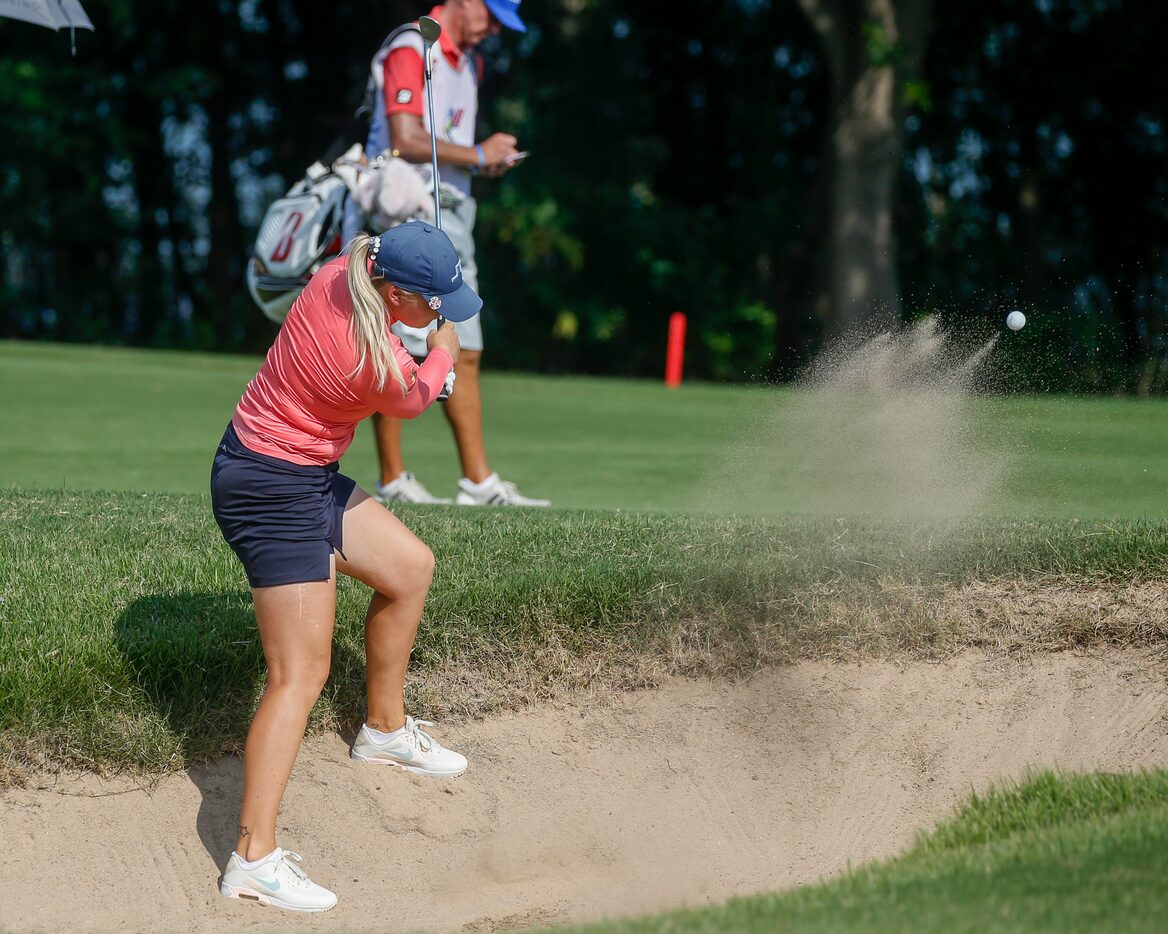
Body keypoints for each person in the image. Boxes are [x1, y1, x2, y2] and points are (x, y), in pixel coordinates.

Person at [211, 221, 475, 912]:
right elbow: (414, 397)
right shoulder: (365, 356)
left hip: (300, 470)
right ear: (395, 293)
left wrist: (427, 323)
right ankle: (253, 858)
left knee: (411, 568)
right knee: (300, 673)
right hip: (271, 487)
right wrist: (443, 354)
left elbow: (392, 313)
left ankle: (384, 731)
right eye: (435, 300)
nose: (445, 310)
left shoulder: (343, 268)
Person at [350, 0, 549, 507]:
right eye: (491, 17)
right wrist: (480, 154)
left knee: (463, 341)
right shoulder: (413, 45)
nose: (492, 32)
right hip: (406, 209)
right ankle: (405, 480)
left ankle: (469, 481)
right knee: (399, 343)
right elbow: (406, 138)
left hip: (453, 210)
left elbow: (445, 143)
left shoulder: (468, 61)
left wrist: (482, 163)